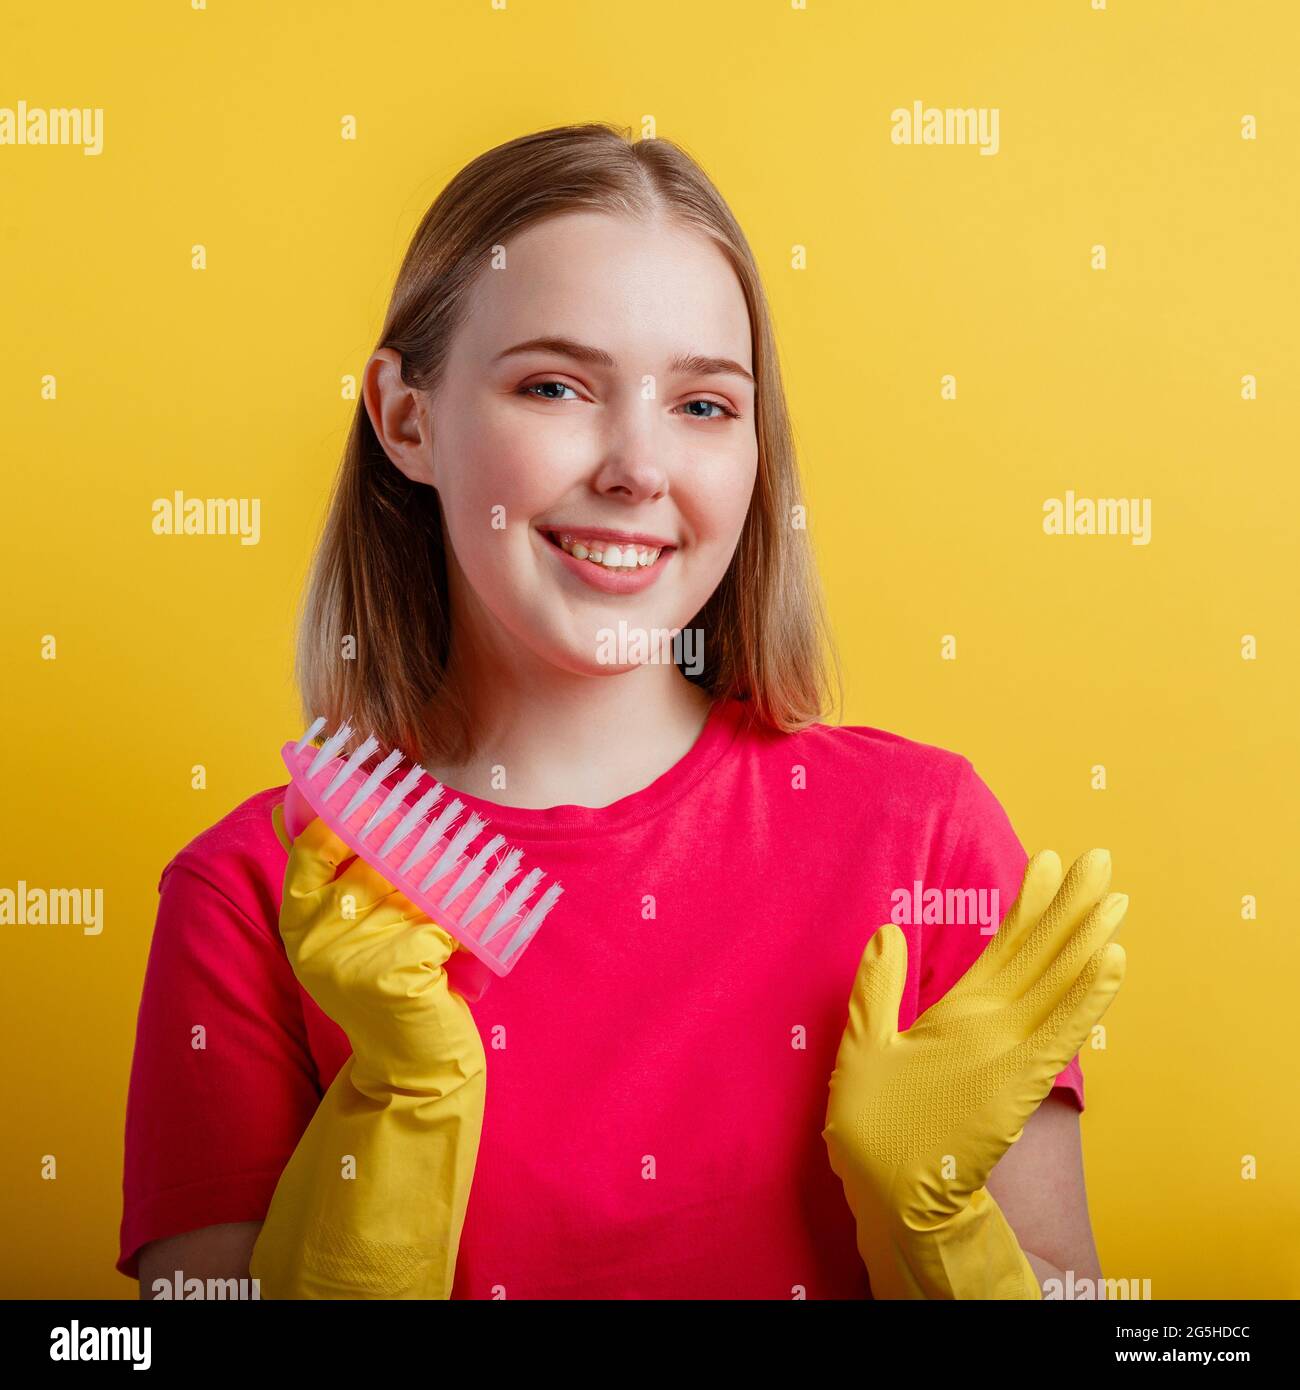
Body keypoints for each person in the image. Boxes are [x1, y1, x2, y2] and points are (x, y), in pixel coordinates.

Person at [119, 122, 1122, 1299]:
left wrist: (940, 1232)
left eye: (703, 405)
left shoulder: (922, 836)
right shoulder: (254, 896)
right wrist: (379, 1142)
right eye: (555, 385)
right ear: (406, 419)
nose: (638, 467)